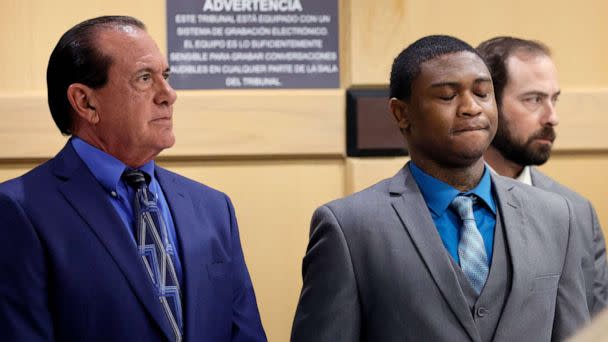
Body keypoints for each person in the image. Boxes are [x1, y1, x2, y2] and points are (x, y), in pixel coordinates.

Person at [291, 35, 589, 341]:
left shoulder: (555, 216)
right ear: (401, 114)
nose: (471, 107)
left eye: (483, 93)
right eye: (447, 96)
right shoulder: (349, 228)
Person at [0, 16, 266, 342]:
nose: (168, 94)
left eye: (165, 76)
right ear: (85, 102)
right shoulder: (18, 211)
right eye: (144, 78)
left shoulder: (214, 208)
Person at [478, 36, 608, 315]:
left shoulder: (578, 212)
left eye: (554, 99)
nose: (552, 117)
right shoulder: (440, 202)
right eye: (534, 99)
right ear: (487, 103)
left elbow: (593, 321)